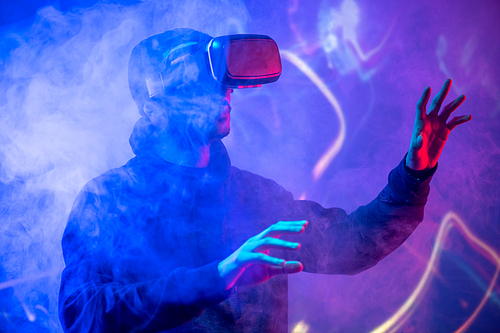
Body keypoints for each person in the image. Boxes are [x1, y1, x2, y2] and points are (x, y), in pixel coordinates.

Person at [58, 28, 471, 333]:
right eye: (204, 88)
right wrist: (219, 277)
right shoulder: (108, 201)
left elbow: (353, 243)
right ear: (153, 107)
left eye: (224, 84)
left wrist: (415, 172)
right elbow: (83, 315)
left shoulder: (256, 198)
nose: (225, 96)